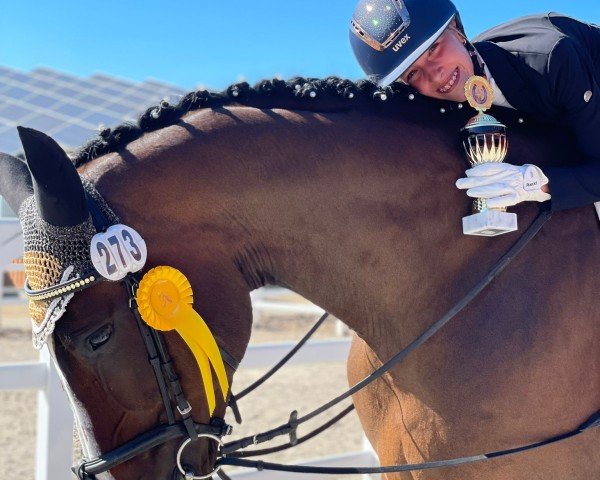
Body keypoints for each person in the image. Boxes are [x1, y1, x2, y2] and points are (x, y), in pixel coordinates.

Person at [349, 0, 600, 215]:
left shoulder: (553, 60)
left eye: (434, 49)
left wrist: (536, 184)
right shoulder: (452, 100)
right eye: (413, 73)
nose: (435, 76)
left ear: (457, 31)